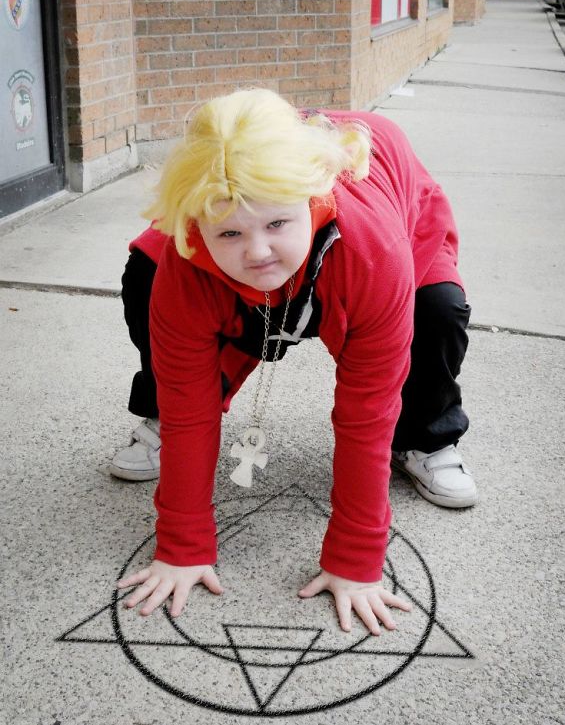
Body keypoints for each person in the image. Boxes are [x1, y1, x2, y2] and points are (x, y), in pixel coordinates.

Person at [110, 88, 477, 636]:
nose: (257, 251)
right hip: (235, 240)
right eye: (230, 232)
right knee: (147, 273)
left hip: (380, 224)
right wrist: (182, 546)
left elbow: (366, 409)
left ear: (313, 195)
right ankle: (153, 415)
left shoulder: (374, 251)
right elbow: (191, 410)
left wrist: (357, 558)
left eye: (276, 225)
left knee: (437, 309)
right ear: (196, 223)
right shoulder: (188, 254)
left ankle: (427, 437)